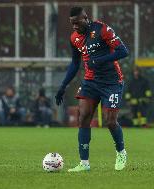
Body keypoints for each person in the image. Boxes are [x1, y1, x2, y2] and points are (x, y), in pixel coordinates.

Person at [55, 7, 129, 172]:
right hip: (91, 81)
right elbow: (75, 63)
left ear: (85, 18)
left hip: (112, 82)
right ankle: (84, 163)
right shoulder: (74, 38)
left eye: (77, 22)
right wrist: (63, 86)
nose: (74, 26)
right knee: (83, 118)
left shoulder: (102, 29)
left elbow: (123, 51)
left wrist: (100, 60)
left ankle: (121, 152)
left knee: (110, 121)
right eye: (72, 24)